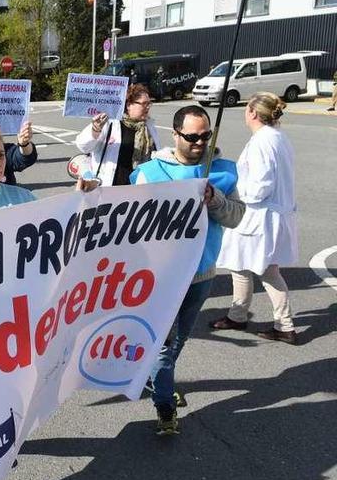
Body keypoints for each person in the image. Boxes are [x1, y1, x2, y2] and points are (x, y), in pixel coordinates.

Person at [130, 105, 245, 436]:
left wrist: (216, 200)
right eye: (192, 137)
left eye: (205, 136)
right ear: (175, 134)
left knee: (178, 341)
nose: (199, 142)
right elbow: (126, 223)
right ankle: (164, 404)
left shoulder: (223, 171)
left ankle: (158, 377)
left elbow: (237, 217)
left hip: (202, 273)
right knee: (164, 345)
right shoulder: (150, 172)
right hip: (161, 278)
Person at [212, 93, 298, 344]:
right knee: (240, 264)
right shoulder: (278, 137)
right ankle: (238, 315)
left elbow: (261, 186)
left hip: (257, 215)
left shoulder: (262, 141)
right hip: (270, 214)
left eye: (246, 108)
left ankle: (284, 325)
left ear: (252, 112)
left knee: (265, 270)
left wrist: (233, 195)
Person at [74, 83, 161, 186]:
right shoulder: (110, 123)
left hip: (139, 188)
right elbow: (83, 146)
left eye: (149, 104)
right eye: (144, 104)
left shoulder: (148, 126)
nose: (147, 107)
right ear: (129, 105)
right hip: (111, 187)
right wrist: (95, 129)